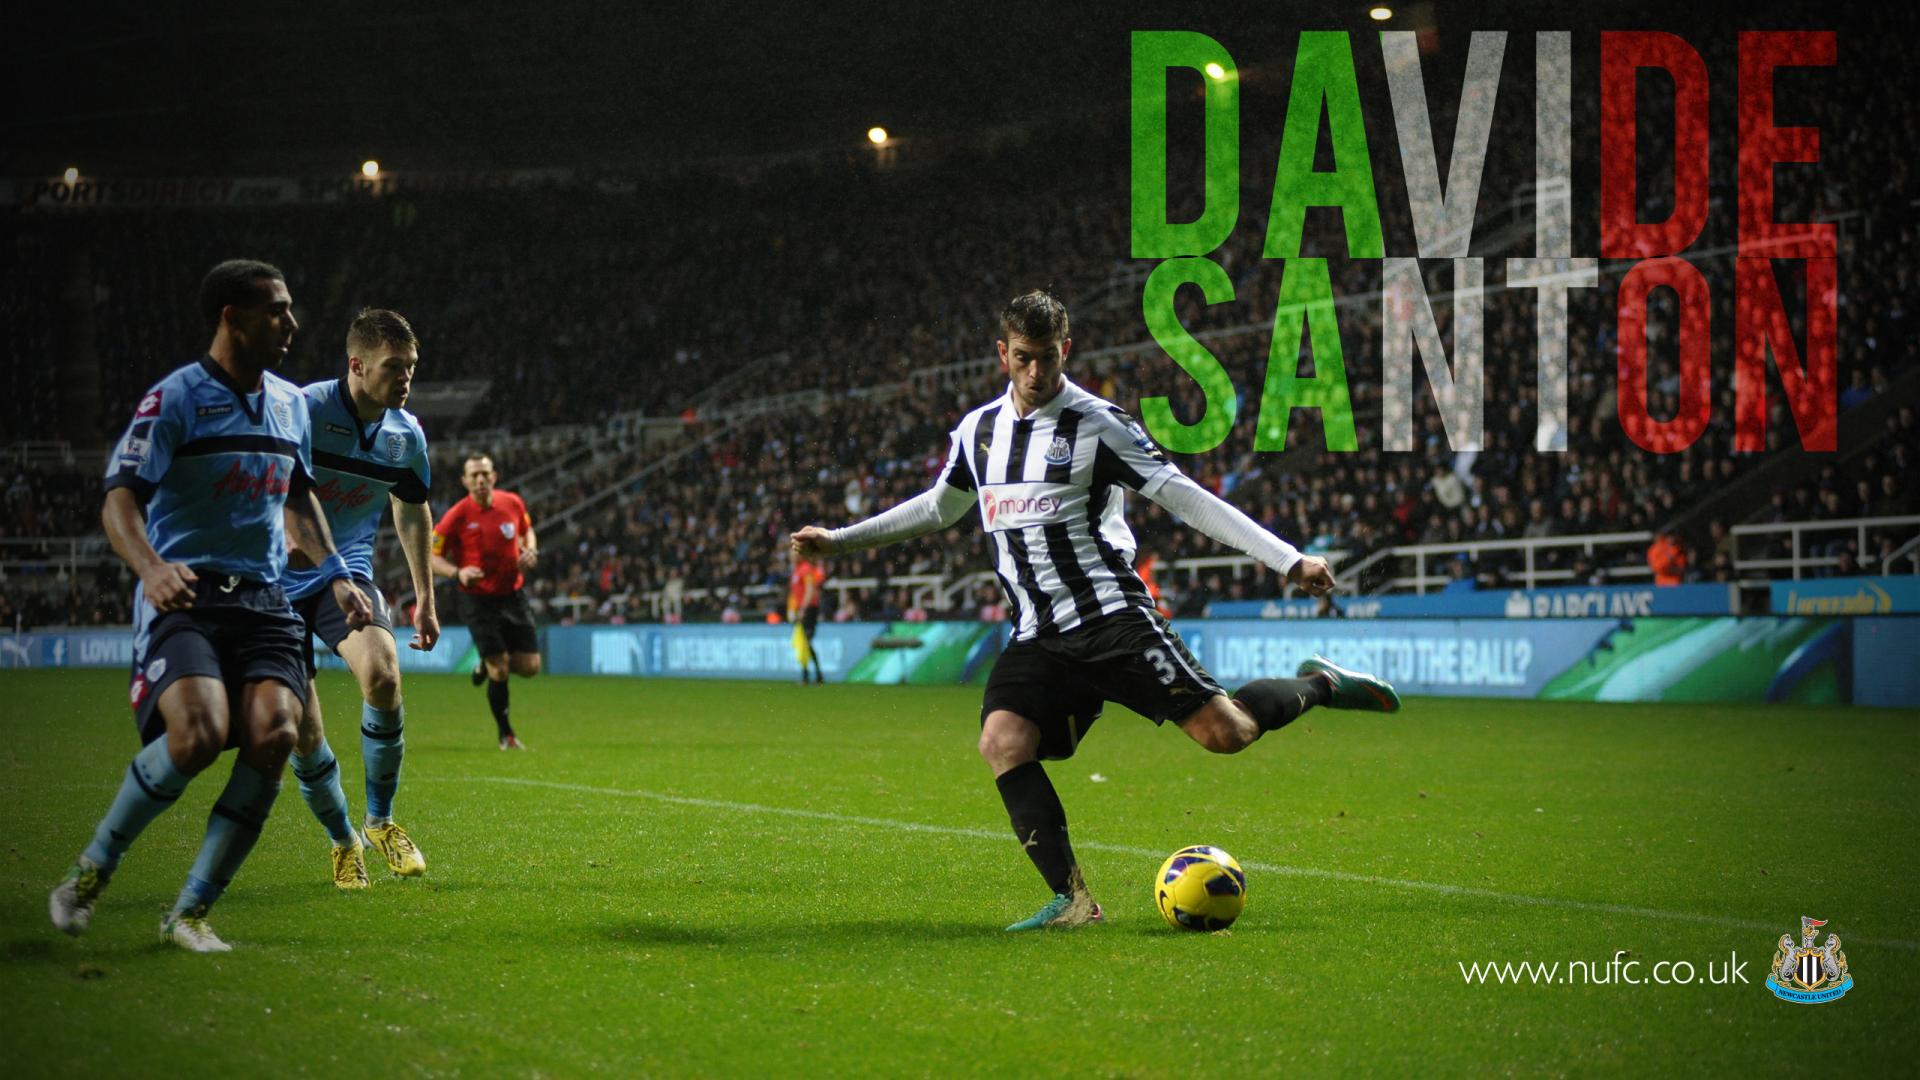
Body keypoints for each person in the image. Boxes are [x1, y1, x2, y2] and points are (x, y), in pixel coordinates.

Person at [790, 289, 1401, 933]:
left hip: (1112, 619)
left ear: (1066, 351)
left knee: (1227, 734)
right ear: (1002, 354)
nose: (1036, 372)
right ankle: (1074, 900)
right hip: (1038, 633)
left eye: (1047, 357)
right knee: (1003, 741)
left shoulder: (1100, 424)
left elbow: (1186, 497)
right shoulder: (978, 432)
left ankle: (1321, 683)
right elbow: (940, 507)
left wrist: (1287, 560)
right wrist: (840, 540)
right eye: (1023, 357)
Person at [50, 259, 373, 952]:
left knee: (277, 733)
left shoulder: (290, 405)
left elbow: (298, 495)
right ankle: (91, 870)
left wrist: (337, 574)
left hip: (265, 599)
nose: (291, 324)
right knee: (197, 734)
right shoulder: (175, 398)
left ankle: (191, 913)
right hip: (189, 596)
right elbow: (119, 499)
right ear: (232, 317)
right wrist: (150, 567)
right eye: (276, 310)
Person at [281, 309, 439, 889]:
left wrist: (425, 596)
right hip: (273, 584)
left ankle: (381, 822)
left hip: (345, 575)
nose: (405, 378)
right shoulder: (303, 411)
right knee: (302, 730)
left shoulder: (406, 434)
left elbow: (412, 508)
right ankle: (343, 840)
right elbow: (267, 488)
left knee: (384, 675)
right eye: (393, 367)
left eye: (411, 367)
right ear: (356, 365)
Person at [432, 453, 538, 749]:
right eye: (474, 475)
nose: (480, 480)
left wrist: (531, 550)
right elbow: (432, 556)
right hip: (478, 600)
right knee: (500, 668)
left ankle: (485, 663)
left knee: (530, 667)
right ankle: (506, 734)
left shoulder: (512, 503)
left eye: (485, 474)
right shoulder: (456, 516)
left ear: (494, 477)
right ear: (464, 481)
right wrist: (458, 573)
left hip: (513, 595)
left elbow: (527, 530)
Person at [788, 550, 827, 683]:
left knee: (806, 641)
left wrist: (803, 609)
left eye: (794, 555)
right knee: (804, 641)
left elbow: (810, 590)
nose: (792, 557)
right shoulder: (796, 571)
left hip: (809, 609)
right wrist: (792, 609)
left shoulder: (805, 569)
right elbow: (794, 593)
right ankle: (813, 674)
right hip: (802, 609)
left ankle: (813, 674)